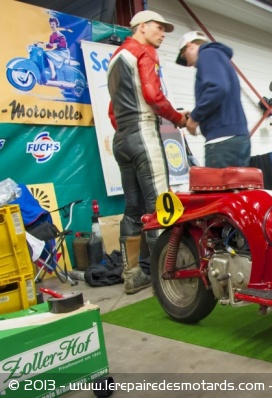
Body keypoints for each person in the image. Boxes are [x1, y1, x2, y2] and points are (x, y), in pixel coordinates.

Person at [107, 10, 188, 294]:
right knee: (159, 206)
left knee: (131, 210)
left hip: (122, 138)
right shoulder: (144, 52)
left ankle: (132, 276)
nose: (163, 33)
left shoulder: (116, 58)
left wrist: (127, 130)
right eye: (159, 27)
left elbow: (111, 111)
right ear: (141, 27)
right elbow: (153, 96)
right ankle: (165, 277)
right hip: (143, 135)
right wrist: (178, 118)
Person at [175, 31, 251, 167]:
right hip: (235, 137)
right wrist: (193, 114)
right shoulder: (219, 57)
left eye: (183, 56)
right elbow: (219, 93)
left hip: (222, 140)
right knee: (236, 187)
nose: (187, 63)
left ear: (190, 45)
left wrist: (194, 118)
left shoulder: (207, 54)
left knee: (219, 188)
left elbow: (217, 88)